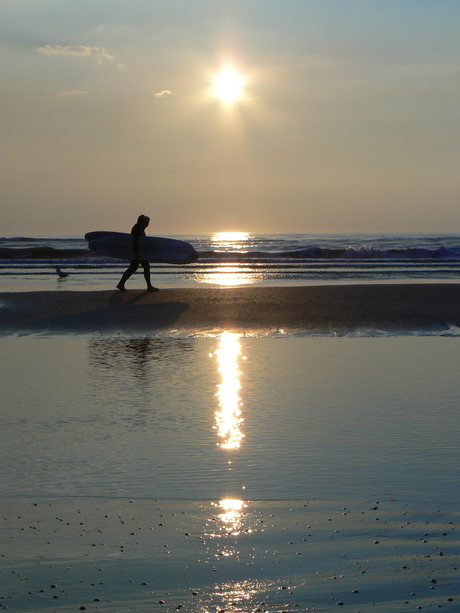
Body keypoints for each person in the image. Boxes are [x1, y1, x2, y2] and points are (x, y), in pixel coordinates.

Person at [116, 215, 159, 292]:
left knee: (133, 268)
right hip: (138, 252)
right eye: (146, 222)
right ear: (142, 222)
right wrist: (137, 253)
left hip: (139, 252)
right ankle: (149, 286)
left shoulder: (140, 229)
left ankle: (121, 284)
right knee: (145, 267)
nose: (147, 225)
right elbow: (135, 242)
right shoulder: (137, 229)